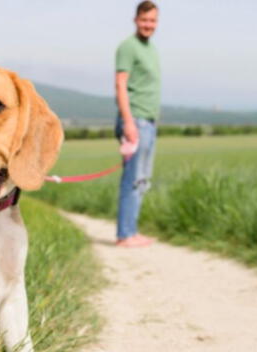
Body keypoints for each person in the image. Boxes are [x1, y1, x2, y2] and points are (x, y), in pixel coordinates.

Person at [115, 1, 160, 248]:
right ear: (135, 20)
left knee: (142, 179)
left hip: (149, 122)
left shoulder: (150, 48)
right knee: (132, 178)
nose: (148, 25)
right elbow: (121, 85)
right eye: (144, 20)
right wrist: (129, 124)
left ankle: (132, 230)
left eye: (152, 21)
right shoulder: (128, 47)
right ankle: (124, 234)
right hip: (136, 121)